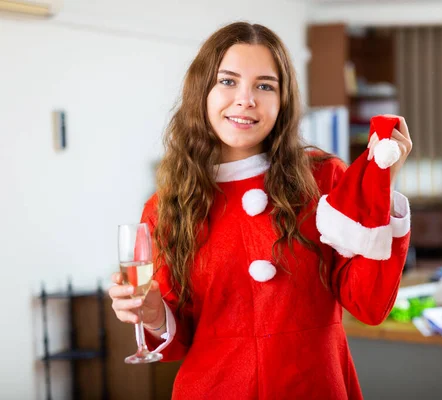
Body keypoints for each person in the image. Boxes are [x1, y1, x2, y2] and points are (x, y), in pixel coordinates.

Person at [109, 21, 413, 399]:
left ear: (283, 99)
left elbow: (368, 306)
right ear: (201, 90)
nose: (246, 99)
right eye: (228, 81)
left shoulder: (323, 179)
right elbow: (180, 336)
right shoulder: (167, 207)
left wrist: (381, 186)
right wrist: (153, 314)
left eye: (264, 85)